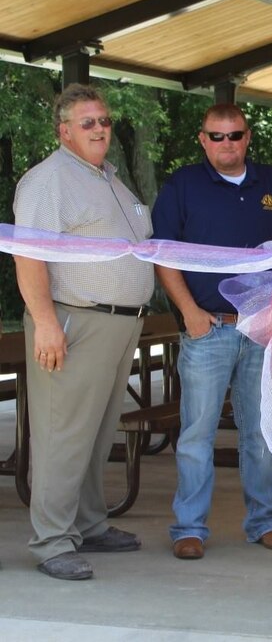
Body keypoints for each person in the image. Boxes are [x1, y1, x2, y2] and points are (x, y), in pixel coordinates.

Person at [13, 83, 154, 580]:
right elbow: (28, 254)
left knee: (96, 431)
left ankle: (89, 524)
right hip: (76, 319)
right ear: (64, 132)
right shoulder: (48, 180)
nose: (99, 128)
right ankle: (52, 540)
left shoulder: (110, 179)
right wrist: (46, 323)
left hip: (120, 323)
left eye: (104, 120)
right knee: (63, 432)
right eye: (87, 122)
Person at [151, 104, 272, 561]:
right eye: (216, 136)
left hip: (260, 327)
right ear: (202, 139)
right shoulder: (182, 185)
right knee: (197, 434)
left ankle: (264, 522)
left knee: (260, 432)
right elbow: (162, 253)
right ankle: (189, 528)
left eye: (234, 135)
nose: (226, 144)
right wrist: (189, 312)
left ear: (248, 136)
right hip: (207, 327)